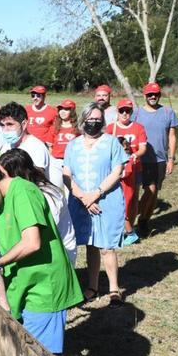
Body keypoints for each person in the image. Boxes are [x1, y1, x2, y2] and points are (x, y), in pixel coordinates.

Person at [0, 160, 83, 356]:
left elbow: (31, 242)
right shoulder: (0, 200)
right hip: (23, 283)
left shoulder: (23, 191)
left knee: (40, 355)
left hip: (43, 286)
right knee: (24, 349)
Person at [64, 102, 128, 304]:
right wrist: (83, 197)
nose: (93, 122)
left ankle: (114, 289)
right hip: (80, 200)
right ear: (83, 120)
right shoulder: (72, 145)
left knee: (107, 246)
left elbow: (116, 171)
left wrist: (97, 193)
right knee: (91, 244)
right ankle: (92, 286)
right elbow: (67, 174)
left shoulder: (111, 143)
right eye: (90, 119)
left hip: (106, 200)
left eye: (97, 119)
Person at [0, 148, 77, 265]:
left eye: (4, 175)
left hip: (60, 252)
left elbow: (48, 226)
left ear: (16, 174)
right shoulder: (22, 192)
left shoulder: (47, 193)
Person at [133, 82, 178, 238]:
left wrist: (171, 159)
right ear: (144, 95)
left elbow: (172, 137)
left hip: (159, 159)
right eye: (149, 94)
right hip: (139, 158)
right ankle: (131, 217)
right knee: (143, 191)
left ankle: (144, 221)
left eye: (156, 94)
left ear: (159, 95)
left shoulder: (168, 112)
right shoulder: (136, 113)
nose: (153, 97)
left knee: (153, 192)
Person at [105, 98, 147, 246]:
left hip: (133, 168)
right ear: (117, 112)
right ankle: (125, 230)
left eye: (128, 111)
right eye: (122, 110)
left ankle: (130, 229)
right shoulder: (111, 128)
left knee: (131, 200)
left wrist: (135, 155)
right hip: (116, 169)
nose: (125, 113)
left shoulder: (138, 128)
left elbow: (143, 148)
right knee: (118, 201)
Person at [0, 101, 55, 186]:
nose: (5, 130)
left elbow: (37, 179)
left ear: (23, 124)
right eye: (2, 125)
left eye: (10, 124)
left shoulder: (36, 147)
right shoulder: (6, 146)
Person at [49, 99, 80, 190]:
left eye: (66, 109)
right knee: (55, 189)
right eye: (61, 109)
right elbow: (50, 146)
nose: (63, 111)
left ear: (72, 111)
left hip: (72, 162)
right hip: (56, 162)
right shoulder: (54, 127)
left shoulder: (78, 128)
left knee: (70, 190)